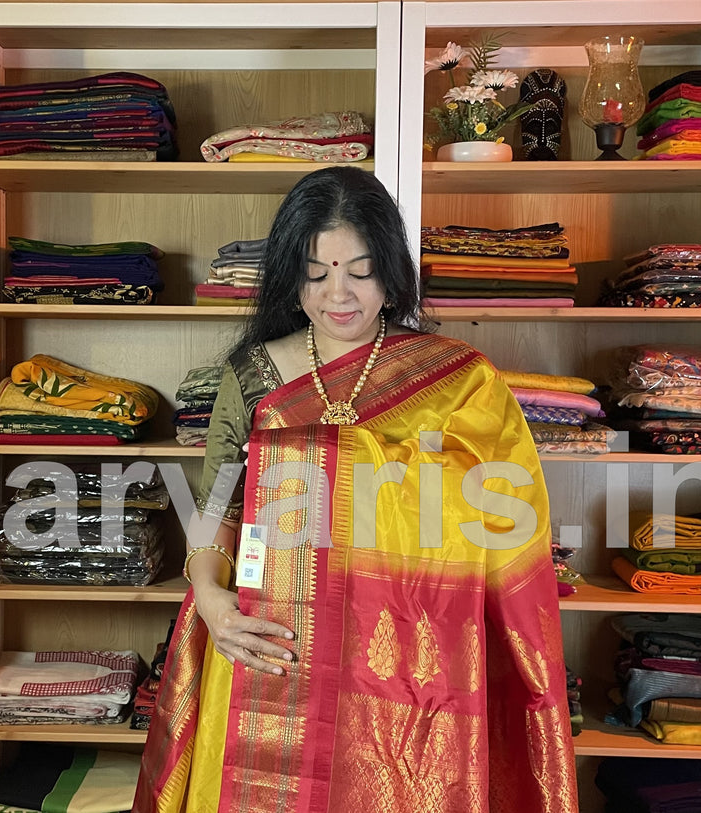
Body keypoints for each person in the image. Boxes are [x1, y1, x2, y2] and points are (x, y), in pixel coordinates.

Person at [135, 166, 577, 812]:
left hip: (405, 674)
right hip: (268, 653)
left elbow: (504, 519)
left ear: (391, 272)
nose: (336, 294)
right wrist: (208, 597)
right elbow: (217, 503)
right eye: (316, 273)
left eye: (358, 271)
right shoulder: (253, 378)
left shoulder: (454, 384)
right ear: (291, 275)